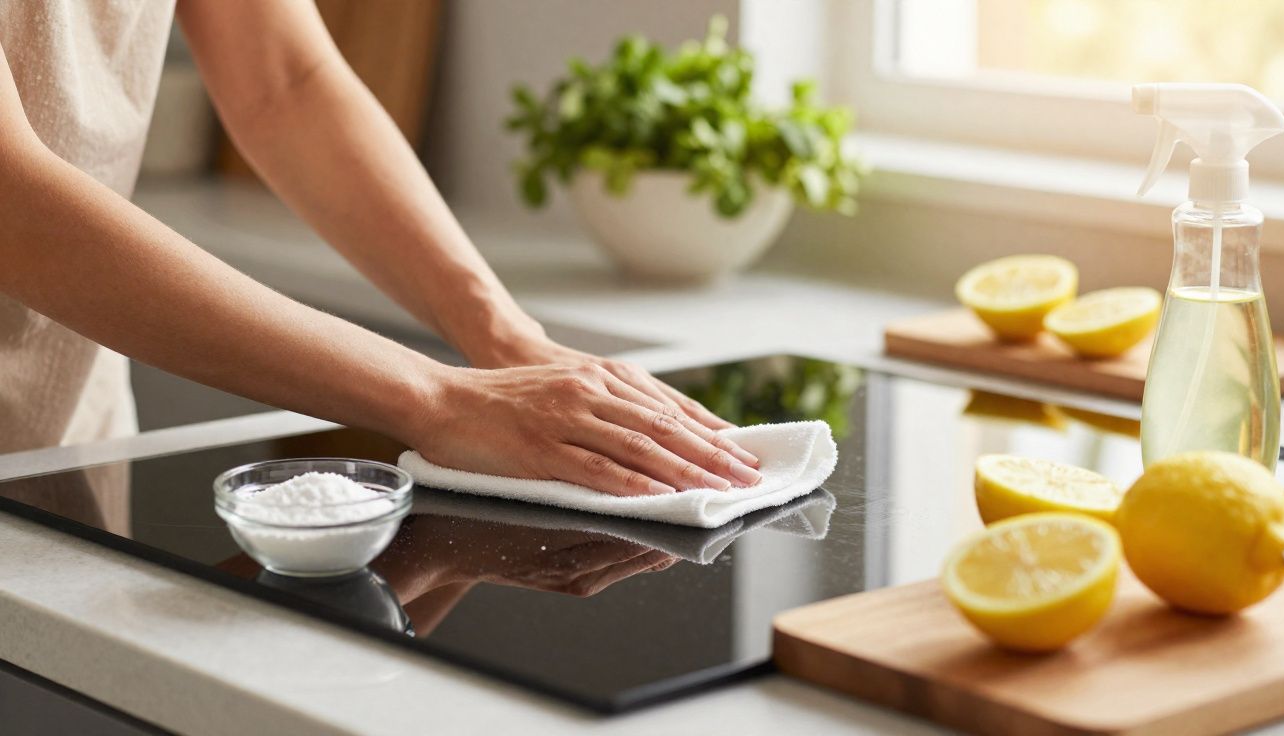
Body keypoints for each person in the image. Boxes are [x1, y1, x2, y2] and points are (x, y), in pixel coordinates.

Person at [0, 0, 761, 496]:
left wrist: (503, 337)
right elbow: (14, 204)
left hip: (70, 435)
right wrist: (437, 399)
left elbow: (285, 81)